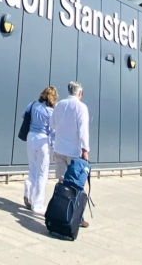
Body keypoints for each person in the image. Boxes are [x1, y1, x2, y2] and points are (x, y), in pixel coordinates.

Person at [51, 81, 90, 228]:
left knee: (61, 182)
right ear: (79, 93)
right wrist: (85, 149)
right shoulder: (81, 107)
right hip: (74, 151)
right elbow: (83, 130)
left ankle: (59, 211)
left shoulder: (59, 105)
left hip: (59, 148)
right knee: (76, 184)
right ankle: (77, 216)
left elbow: (52, 124)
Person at [23, 86, 57, 214]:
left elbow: (23, 115)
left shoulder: (32, 105)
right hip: (43, 140)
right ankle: (37, 204)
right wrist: (54, 148)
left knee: (32, 168)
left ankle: (28, 188)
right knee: (42, 172)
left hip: (31, 136)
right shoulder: (51, 112)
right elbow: (53, 131)